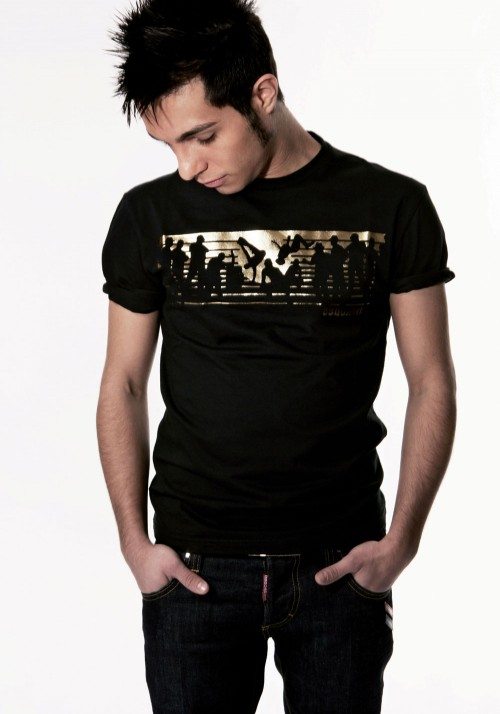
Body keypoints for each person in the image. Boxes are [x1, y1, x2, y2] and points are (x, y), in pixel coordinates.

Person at [96, 1, 457, 712]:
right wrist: (135, 545)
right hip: (194, 571)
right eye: (170, 147)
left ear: (263, 93)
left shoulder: (391, 206)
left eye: (203, 137)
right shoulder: (149, 216)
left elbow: (432, 380)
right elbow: (124, 383)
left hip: (340, 567)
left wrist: (402, 543)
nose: (189, 168)